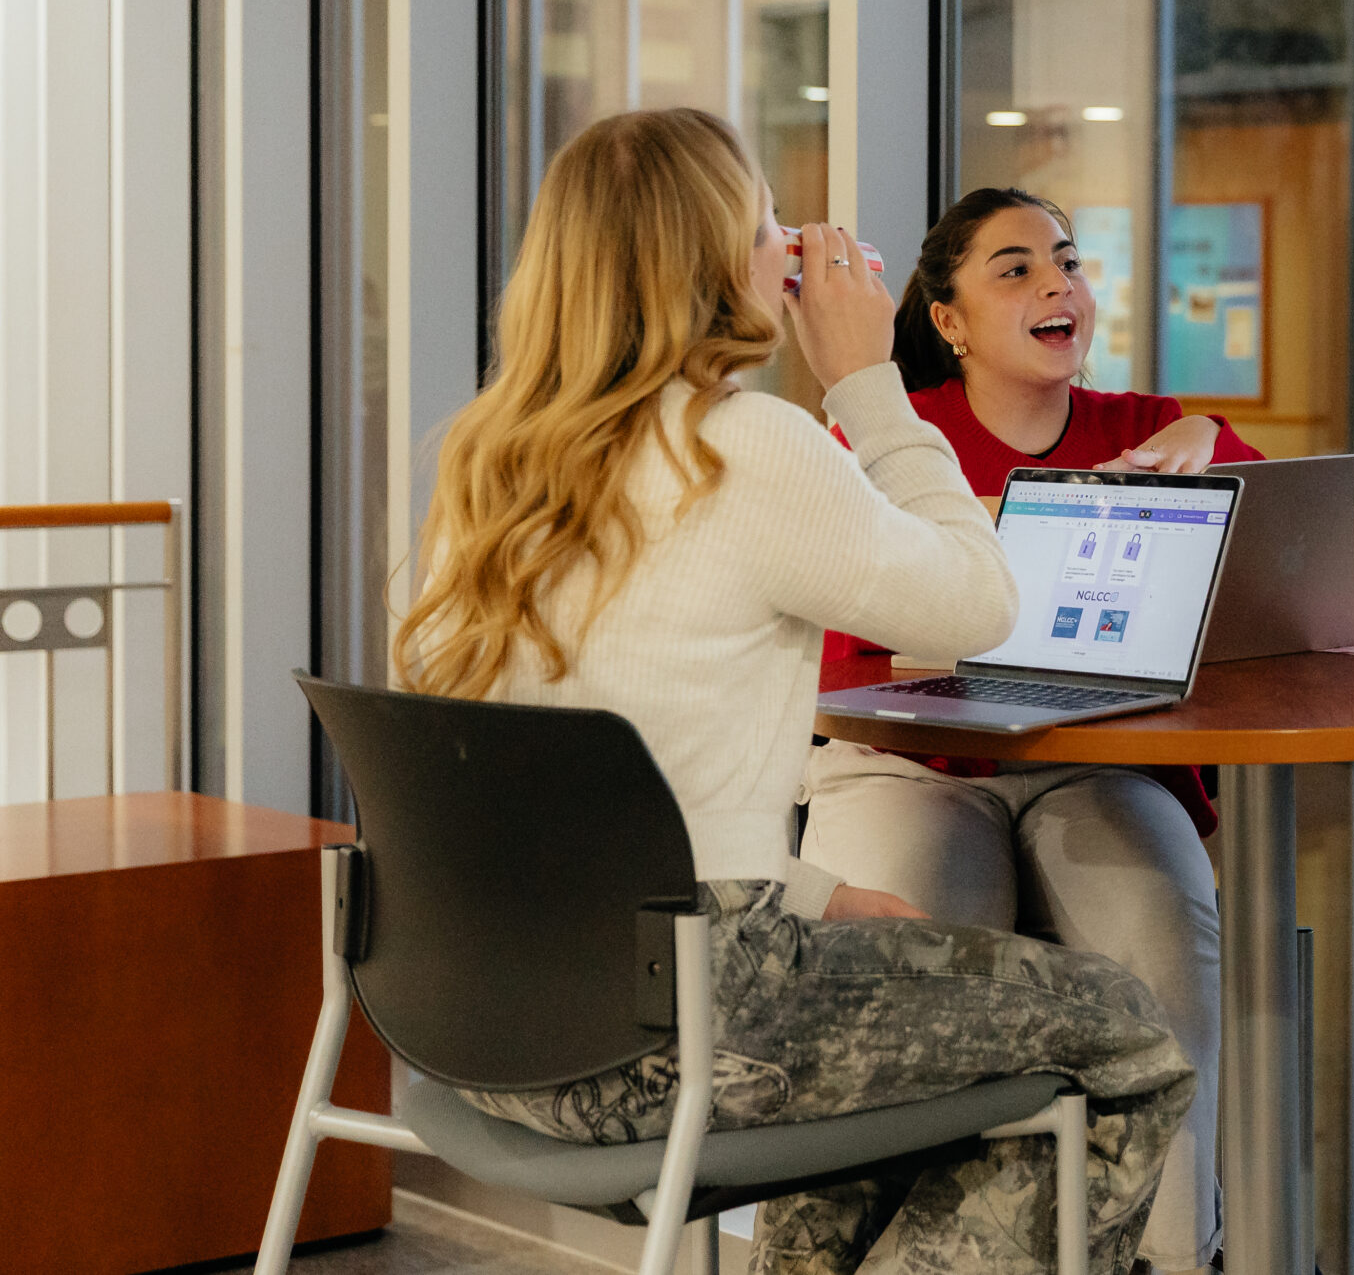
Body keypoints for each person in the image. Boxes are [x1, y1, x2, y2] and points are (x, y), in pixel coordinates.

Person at [390, 111, 1193, 1275]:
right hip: (681, 1028)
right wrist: (869, 383)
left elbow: (608, 783)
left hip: (484, 1021)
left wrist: (814, 892)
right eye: (769, 222)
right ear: (717, 263)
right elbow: (981, 605)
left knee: (897, 1037)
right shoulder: (747, 445)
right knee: (1125, 1040)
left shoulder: (490, 457)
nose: (796, 246)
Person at [802, 187, 1261, 1275]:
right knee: (923, 969)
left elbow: (1257, 582)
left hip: (1095, 763)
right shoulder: (883, 436)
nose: (1058, 283)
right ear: (949, 320)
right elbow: (835, 648)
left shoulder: (1149, 429)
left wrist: (1213, 441)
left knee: (1162, 962)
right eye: (1015, 268)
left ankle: (1170, 1259)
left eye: (1067, 260)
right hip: (906, 763)